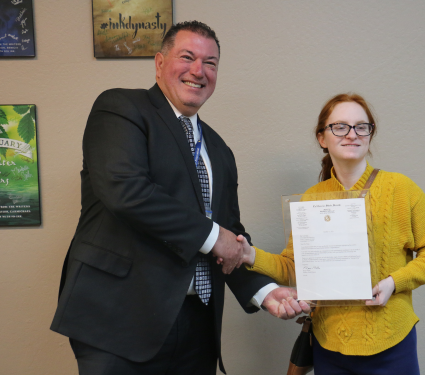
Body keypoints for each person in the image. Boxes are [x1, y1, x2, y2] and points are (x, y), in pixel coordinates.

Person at [50, 21, 309, 375]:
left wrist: (263, 291)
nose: (198, 70)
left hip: (196, 326)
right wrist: (216, 236)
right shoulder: (121, 108)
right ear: (159, 63)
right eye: (187, 57)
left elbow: (229, 233)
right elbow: (126, 191)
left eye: (211, 63)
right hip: (118, 320)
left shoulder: (218, 149)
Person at [240, 93, 425, 375]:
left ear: (370, 134)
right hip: (329, 345)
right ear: (322, 138)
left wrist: (393, 282)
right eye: (340, 126)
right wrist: (249, 254)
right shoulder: (312, 198)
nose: (352, 134)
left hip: (392, 343)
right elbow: (294, 268)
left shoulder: (400, 189)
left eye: (361, 126)